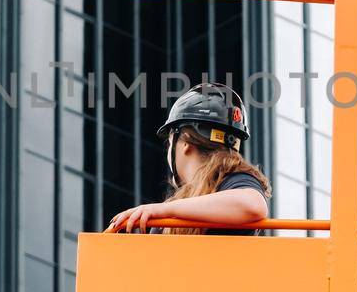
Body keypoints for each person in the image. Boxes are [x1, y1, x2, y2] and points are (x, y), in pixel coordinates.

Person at [106, 83, 271, 234]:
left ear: (184, 142)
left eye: (170, 141)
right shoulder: (167, 218)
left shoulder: (235, 182)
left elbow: (254, 206)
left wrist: (164, 210)